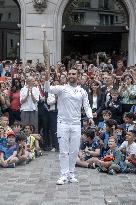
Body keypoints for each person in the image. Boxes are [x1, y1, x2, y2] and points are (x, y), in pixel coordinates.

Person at [44, 68, 94, 185]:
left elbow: (86, 106)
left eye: (74, 74)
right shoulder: (62, 88)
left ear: (78, 76)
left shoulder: (82, 91)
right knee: (63, 150)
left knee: (74, 150)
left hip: (76, 124)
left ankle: (71, 174)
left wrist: (90, 117)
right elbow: (48, 89)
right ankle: (63, 175)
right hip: (63, 123)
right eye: (70, 74)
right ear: (67, 76)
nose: (71, 75)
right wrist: (47, 79)